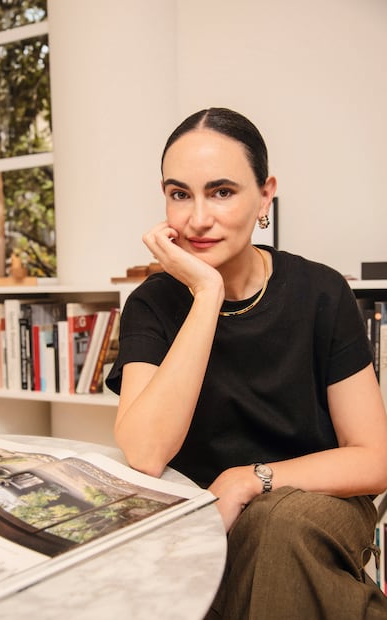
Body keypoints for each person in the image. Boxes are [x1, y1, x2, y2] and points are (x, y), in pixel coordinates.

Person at [106, 107, 387, 619]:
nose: (197, 219)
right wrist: (207, 292)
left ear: (265, 194)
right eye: (179, 194)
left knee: (280, 528)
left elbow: (374, 457)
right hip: (203, 520)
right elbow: (146, 453)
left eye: (222, 191)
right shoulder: (151, 304)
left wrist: (248, 479)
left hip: (313, 506)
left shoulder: (321, 291)